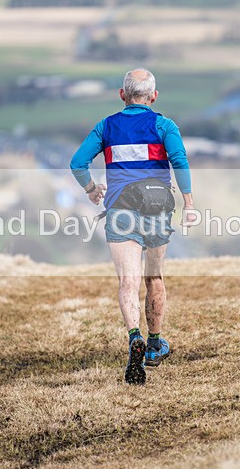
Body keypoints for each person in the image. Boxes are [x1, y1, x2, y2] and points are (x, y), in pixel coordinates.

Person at [70, 68, 195, 385]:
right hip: (157, 210)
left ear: (122, 95)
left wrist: (91, 189)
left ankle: (134, 337)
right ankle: (153, 346)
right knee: (154, 277)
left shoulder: (107, 127)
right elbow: (179, 161)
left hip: (120, 211)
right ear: (154, 96)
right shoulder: (163, 125)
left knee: (128, 280)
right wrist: (189, 203)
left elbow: (77, 163)